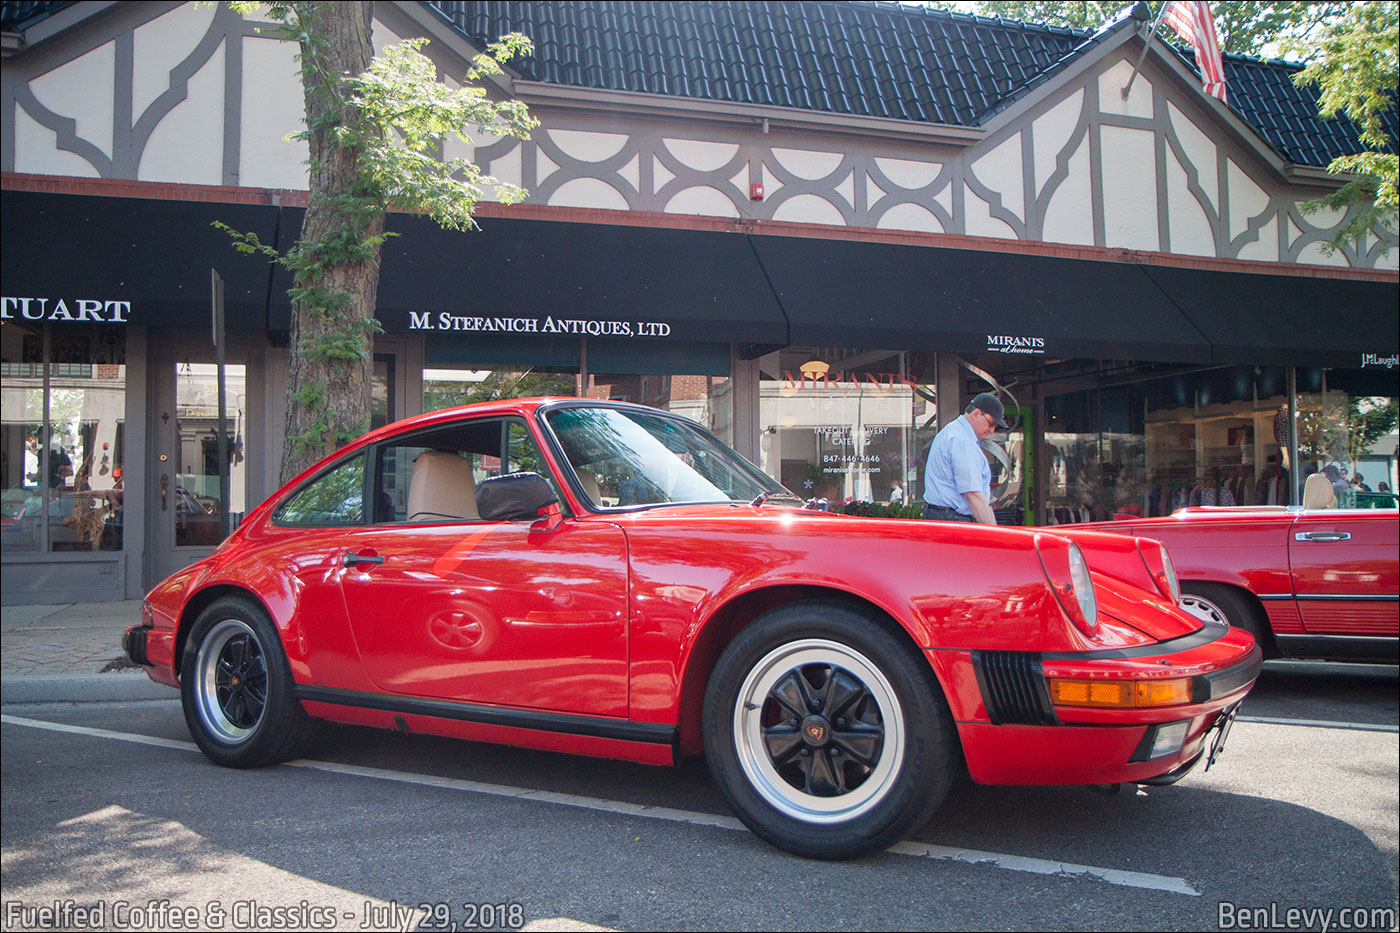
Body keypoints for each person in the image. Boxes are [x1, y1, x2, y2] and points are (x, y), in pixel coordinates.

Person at [922, 392, 1006, 525]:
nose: (992, 430)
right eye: (991, 423)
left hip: (943, 516)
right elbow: (974, 496)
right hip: (953, 519)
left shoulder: (950, 431)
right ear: (976, 413)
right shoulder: (963, 442)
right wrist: (994, 534)